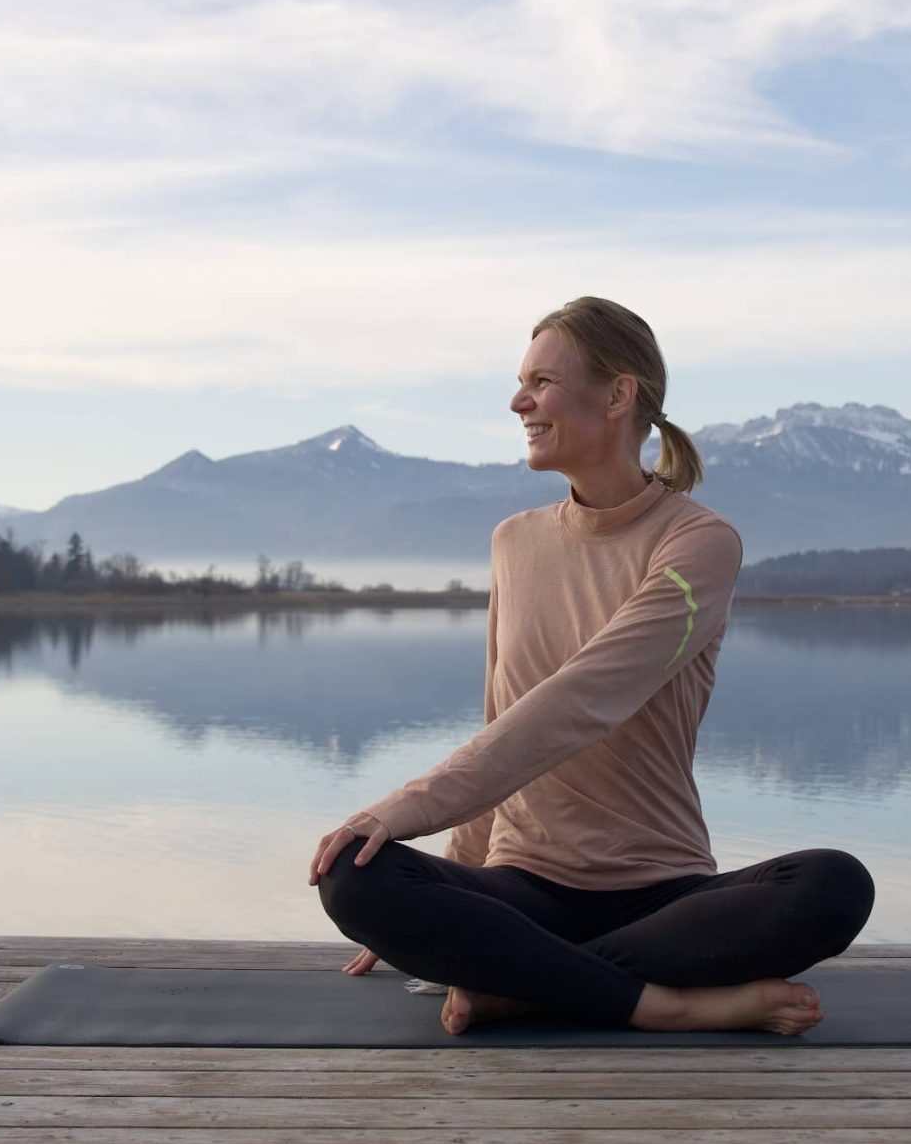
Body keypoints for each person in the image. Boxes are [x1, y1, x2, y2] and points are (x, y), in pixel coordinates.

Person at [309, 295, 875, 1036]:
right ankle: (657, 1001)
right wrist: (437, 899)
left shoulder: (698, 544)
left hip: (664, 895)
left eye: (540, 382)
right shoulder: (515, 541)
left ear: (618, 394)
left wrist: (408, 810)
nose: (519, 402)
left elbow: (583, 699)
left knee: (834, 885)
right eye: (522, 383)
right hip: (523, 885)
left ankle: (527, 983)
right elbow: (504, 718)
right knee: (356, 872)